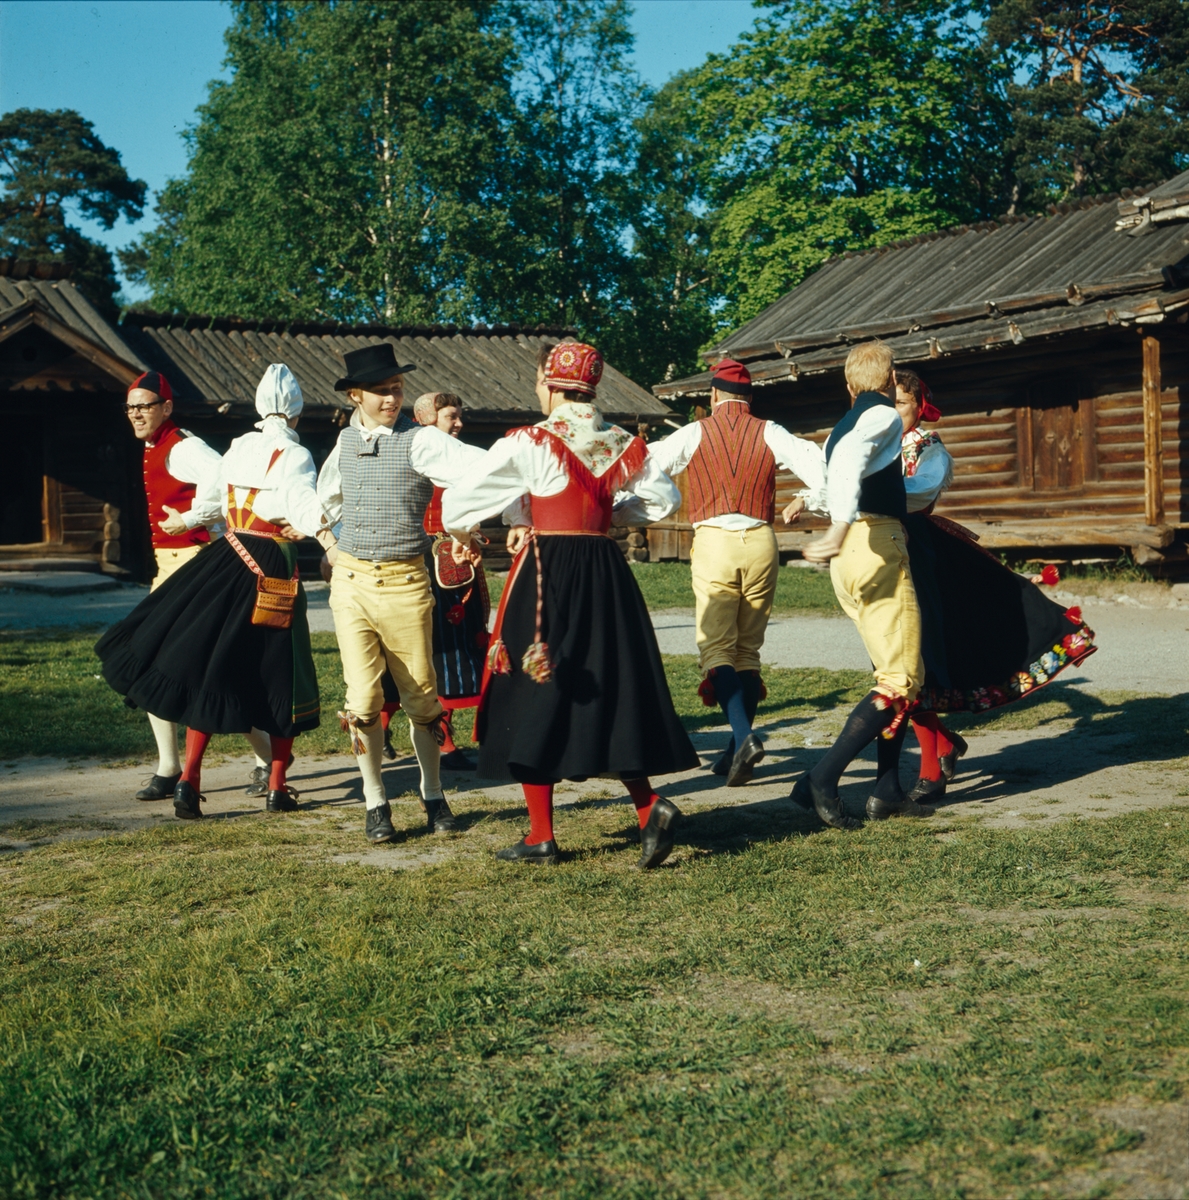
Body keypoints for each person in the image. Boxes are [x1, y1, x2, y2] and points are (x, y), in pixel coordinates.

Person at [441, 341, 699, 868]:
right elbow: (663, 501)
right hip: (605, 573)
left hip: (549, 572)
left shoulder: (532, 440)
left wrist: (469, 530)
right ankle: (648, 808)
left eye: (539, 382)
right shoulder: (621, 442)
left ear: (550, 384)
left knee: (530, 690)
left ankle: (541, 835)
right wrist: (606, 518)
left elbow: (459, 499)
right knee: (612, 689)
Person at [98, 364, 326, 819]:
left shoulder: (240, 445)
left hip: (227, 558)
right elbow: (302, 504)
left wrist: (188, 519)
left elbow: (215, 497)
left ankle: (188, 779)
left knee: (212, 664)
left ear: (260, 408)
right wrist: (318, 531)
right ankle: (278, 786)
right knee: (283, 672)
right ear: (296, 415)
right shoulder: (294, 455)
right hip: (271, 563)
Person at [892, 368, 1097, 804]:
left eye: (900, 403)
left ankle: (931, 770)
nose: (892, 411)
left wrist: (868, 489)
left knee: (917, 657)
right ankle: (944, 744)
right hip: (882, 556)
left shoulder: (929, 449)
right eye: (887, 401)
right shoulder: (874, 445)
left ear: (919, 407)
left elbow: (918, 491)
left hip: (927, 557)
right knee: (896, 662)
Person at [315, 345, 487, 845]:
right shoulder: (344, 442)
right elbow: (322, 501)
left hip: (407, 582)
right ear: (356, 395)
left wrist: (462, 527)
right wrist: (330, 545)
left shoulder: (420, 441)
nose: (392, 399)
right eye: (382, 391)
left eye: (397, 389)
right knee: (363, 699)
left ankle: (432, 793)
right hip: (351, 583)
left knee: (420, 697)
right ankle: (375, 802)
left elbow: (476, 472)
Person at [646, 358, 826, 786]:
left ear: (712, 396)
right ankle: (732, 753)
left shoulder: (694, 432)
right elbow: (817, 464)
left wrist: (659, 502)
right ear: (749, 398)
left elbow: (646, 467)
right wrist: (807, 498)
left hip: (714, 541)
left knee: (717, 648)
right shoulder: (770, 430)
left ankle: (744, 736)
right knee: (747, 650)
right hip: (762, 541)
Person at [120, 370, 276, 803]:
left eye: (144, 406)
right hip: (167, 569)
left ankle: (267, 760)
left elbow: (222, 476)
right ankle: (169, 766)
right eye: (131, 408)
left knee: (208, 672)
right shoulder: (154, 445)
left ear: (166, 408)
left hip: (194, 568)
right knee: (148, 663)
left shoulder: (184, 446)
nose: (136, 414)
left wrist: (192, 519)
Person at [791, 340, 926, 829]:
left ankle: (887, 788)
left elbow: (838, 471)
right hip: (873, 544)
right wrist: (838, 525)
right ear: (890, 381)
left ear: (848, 385)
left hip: (853, 556)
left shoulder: (841, 425)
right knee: (899, 678)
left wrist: (827, 518)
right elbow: (849, 462)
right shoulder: (883, 417)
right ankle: (821, 778)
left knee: (895, 671)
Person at [375, 392, 491, 770]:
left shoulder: (462, 455)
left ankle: (431, 734)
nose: (458, 424)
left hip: (457, 563)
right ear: (427, 422)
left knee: (451, 643)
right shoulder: (414, 454)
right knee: (435, 646)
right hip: (428, 561)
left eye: (459, 417)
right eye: (451, 417)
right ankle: (413, 734)